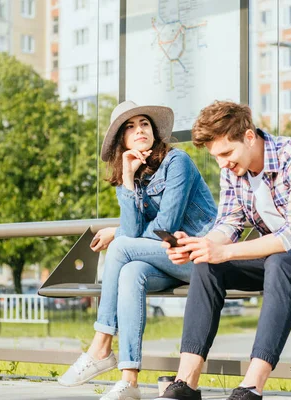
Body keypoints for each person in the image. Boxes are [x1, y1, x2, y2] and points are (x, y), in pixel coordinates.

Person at [156, 101, 291, 400]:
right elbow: (229, 225)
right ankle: (186, 382)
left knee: (280, 264)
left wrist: (225, 252)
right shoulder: (233, 170)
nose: (222, 164)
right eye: (216, 156)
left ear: (248, 136)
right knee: (207, 265)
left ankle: (251, 386)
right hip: (280, 259)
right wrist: (199, 247)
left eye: (226, 154)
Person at [58, 101, 217, 400]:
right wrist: (129, 180)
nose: (139, 129)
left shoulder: (177, 162)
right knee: (131, 272)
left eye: (144, 123)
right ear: (122, 141)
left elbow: (164, 226)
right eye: (129, 127)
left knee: (120, 248)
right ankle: (129, 380)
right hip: (167, 259)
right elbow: (134, 235)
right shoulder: (128, 177)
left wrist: (118, 233)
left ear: (154, 131)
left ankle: (101, 345)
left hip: (200, 257)